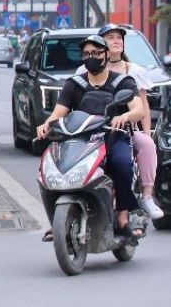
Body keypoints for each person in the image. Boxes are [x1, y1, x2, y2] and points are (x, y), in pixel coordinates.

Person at [37, 34, 146, 239]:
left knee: (122, 164)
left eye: (96, 53)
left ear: (106, 55)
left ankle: (123, 215)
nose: (91, 57)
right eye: (87, 54)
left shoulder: (123, 82)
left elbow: (138, 109)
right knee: (49, 168)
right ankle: (57, 221)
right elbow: (58, 113)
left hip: (113, 137)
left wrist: (124, 116)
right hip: (80, 139)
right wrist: (45, 125)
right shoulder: (74, 84)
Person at [74, 24, 163, 220]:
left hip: (125, 132)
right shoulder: (84, 70)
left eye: (119, 37)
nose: (117, 41)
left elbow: (143, 107)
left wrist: (146, 133)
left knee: (146, 144)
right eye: (111, 37)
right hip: (91, 132)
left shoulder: (134, 71)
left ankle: (147, 196)